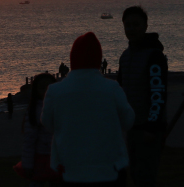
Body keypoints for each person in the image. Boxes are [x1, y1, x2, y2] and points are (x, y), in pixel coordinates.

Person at [42, 32, 134, 185]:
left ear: (73, 59)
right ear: (98, 60)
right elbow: (128, 121)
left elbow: (47, 123)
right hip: (109, 170)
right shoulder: (112, 88)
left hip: (69, 170)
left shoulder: (55, 91)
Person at [118, 6, 167, 187]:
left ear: (145, 26)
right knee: (134, 173)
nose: (131, 29)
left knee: (146, 175)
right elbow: (120, 90)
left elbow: (158, 94)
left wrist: (152, 127)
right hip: (131, 126)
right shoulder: (125, 56)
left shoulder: (154, 56)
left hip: (148, 127)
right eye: (128, 25)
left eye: (136, 24)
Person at [18, 72, 58, 186]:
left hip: (58, 155)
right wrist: (28, 164)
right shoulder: (35, 110)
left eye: (49, 87)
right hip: (40, 156)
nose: (46, 91)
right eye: (42, 88)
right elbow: (29, 140)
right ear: (36, 90)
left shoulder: (60, 106)